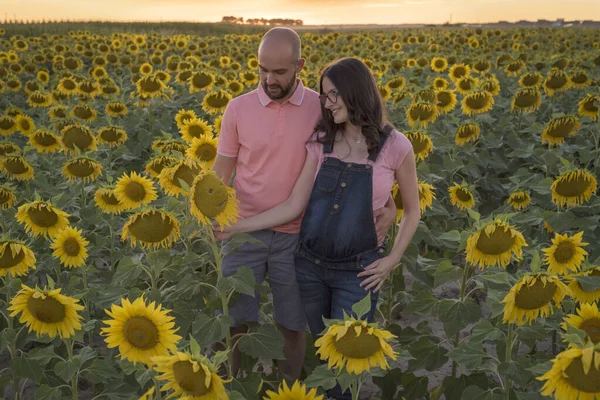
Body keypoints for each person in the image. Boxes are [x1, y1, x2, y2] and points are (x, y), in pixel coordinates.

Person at [216, 57, 421, 398]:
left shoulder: (395, 145)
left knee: (343, 363)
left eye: (334, 95)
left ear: (357, 92)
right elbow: (294, 205)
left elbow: (412, 210)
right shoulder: (322, 142)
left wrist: (392, 259)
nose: (326, 103)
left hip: (359, 271)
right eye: (324, 95)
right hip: (310, 267)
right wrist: (235, 227)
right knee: (323, 352)